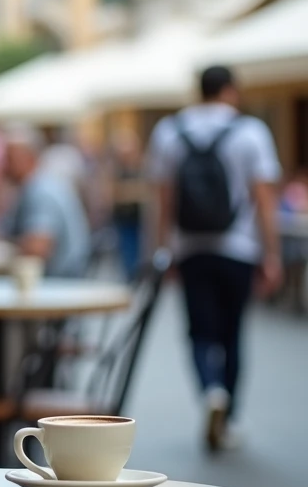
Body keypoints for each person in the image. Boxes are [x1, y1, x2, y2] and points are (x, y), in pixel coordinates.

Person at [146, 65, 282, 452]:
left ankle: (211, 389)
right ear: (231, 91)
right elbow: (264, 200)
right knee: (233, 331)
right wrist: (271, 254)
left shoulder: (169, 132)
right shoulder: (251, 132)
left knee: (199, 331)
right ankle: (232, 413)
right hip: (239, 248)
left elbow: (164, 199)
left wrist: (163, 250)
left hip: (190, 249)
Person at [1, 123, 91, 279]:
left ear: (28, 157)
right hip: (67, 280)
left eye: (10, 158)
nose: (5, 166)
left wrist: (4, 248)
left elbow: (38, 248)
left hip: (61, 285)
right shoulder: (46, 181)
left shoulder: (40, 190)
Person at [109, 130, 146, 281]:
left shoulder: (141, 168)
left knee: (138, 253)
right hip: (123, 220)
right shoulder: (116, 170)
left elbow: (146, 192)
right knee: (127, 255)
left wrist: (127, 192)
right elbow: (111, 194)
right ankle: (131, 279)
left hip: (137, 219)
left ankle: (136, 278)